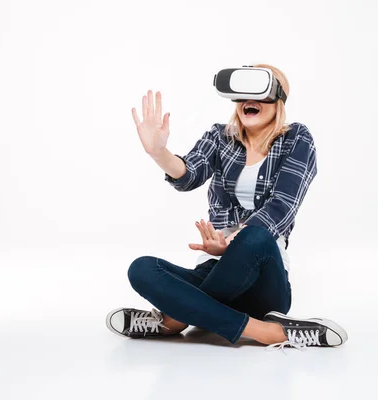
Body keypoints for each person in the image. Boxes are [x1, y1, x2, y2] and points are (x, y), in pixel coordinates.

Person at [105, 64, 348, 350]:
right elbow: (189, 174)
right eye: (242, 93)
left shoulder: (296, 139)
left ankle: (175, 319)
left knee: (254, 237)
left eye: (260, 91)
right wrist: (158, 152)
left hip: (263, 280)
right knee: (142, 269)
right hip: (214, 270)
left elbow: (282, 207)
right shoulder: (220, 137)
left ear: (278, 98)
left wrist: (231, 242)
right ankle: (268, 332)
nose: (249, 100)